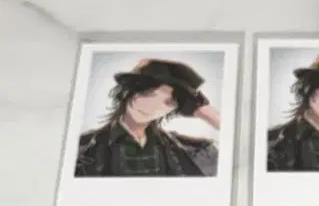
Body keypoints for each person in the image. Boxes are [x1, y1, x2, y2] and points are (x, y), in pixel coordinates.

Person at [76, 59, 220, 177]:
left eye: (167, 102)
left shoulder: (194, 151)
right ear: (129, 92)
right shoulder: (82, 148)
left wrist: (202, 111)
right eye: (148, 93)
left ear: (175, 109)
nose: (151, 107)